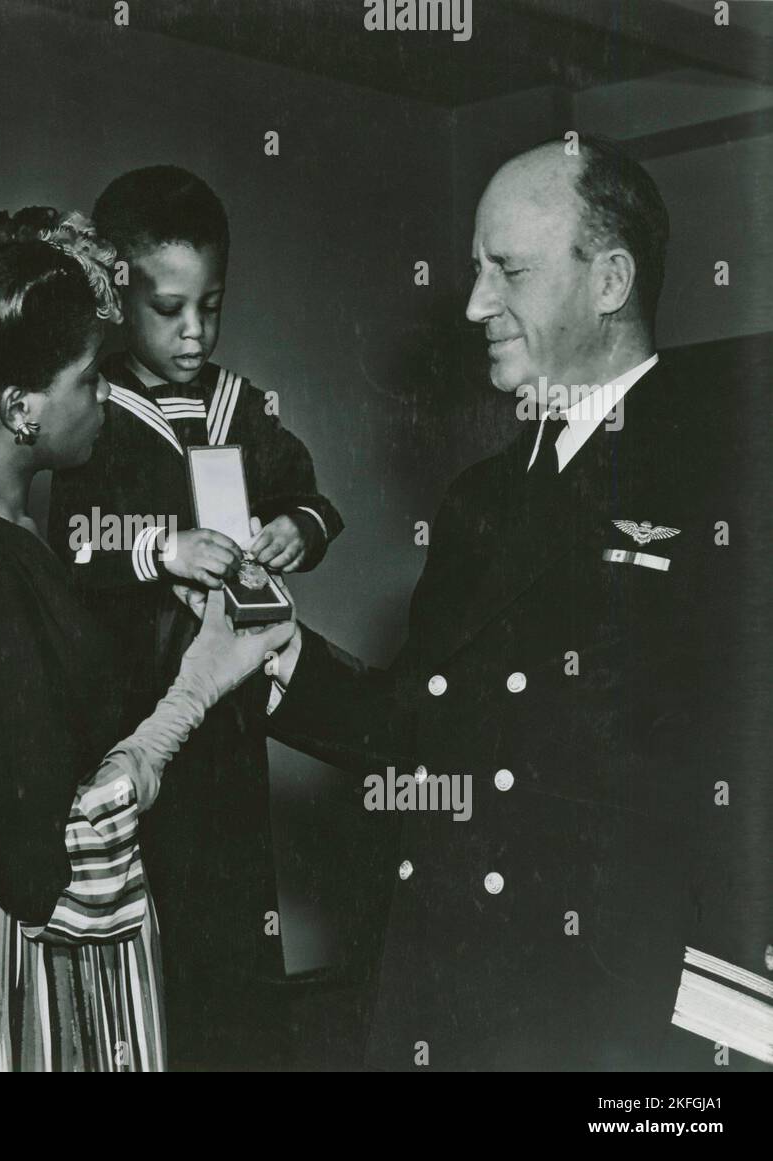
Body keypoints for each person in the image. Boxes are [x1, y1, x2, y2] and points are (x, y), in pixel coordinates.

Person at [264, 136, 770, 1070]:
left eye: (509, 270)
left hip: (622, 1014)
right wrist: (273, 651)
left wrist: (736, 1020)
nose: (473, 304)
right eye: (473, 269)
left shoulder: (729, 472)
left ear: (609, 280)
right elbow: (425, 726)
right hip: (453, 992)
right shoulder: (479, 499)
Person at [0, 208, 294, 1072]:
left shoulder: (2, 533)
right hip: (35, 957)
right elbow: (46, 846)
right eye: (88, 379)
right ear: (19, 409)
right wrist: (197, 685)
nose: (106, 395)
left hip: (52, 941)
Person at [48, 165, 345, 1068]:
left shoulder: (242, 407)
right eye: (169, 309)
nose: (193, 332)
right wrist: (161, 550)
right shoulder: (89, 409)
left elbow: (316, 501)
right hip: (134, 721)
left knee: (235, 931)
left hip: (229, 716)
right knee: (151, 943)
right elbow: (69, 545)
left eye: (210, 307)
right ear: (117, 299)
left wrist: (298, 525)